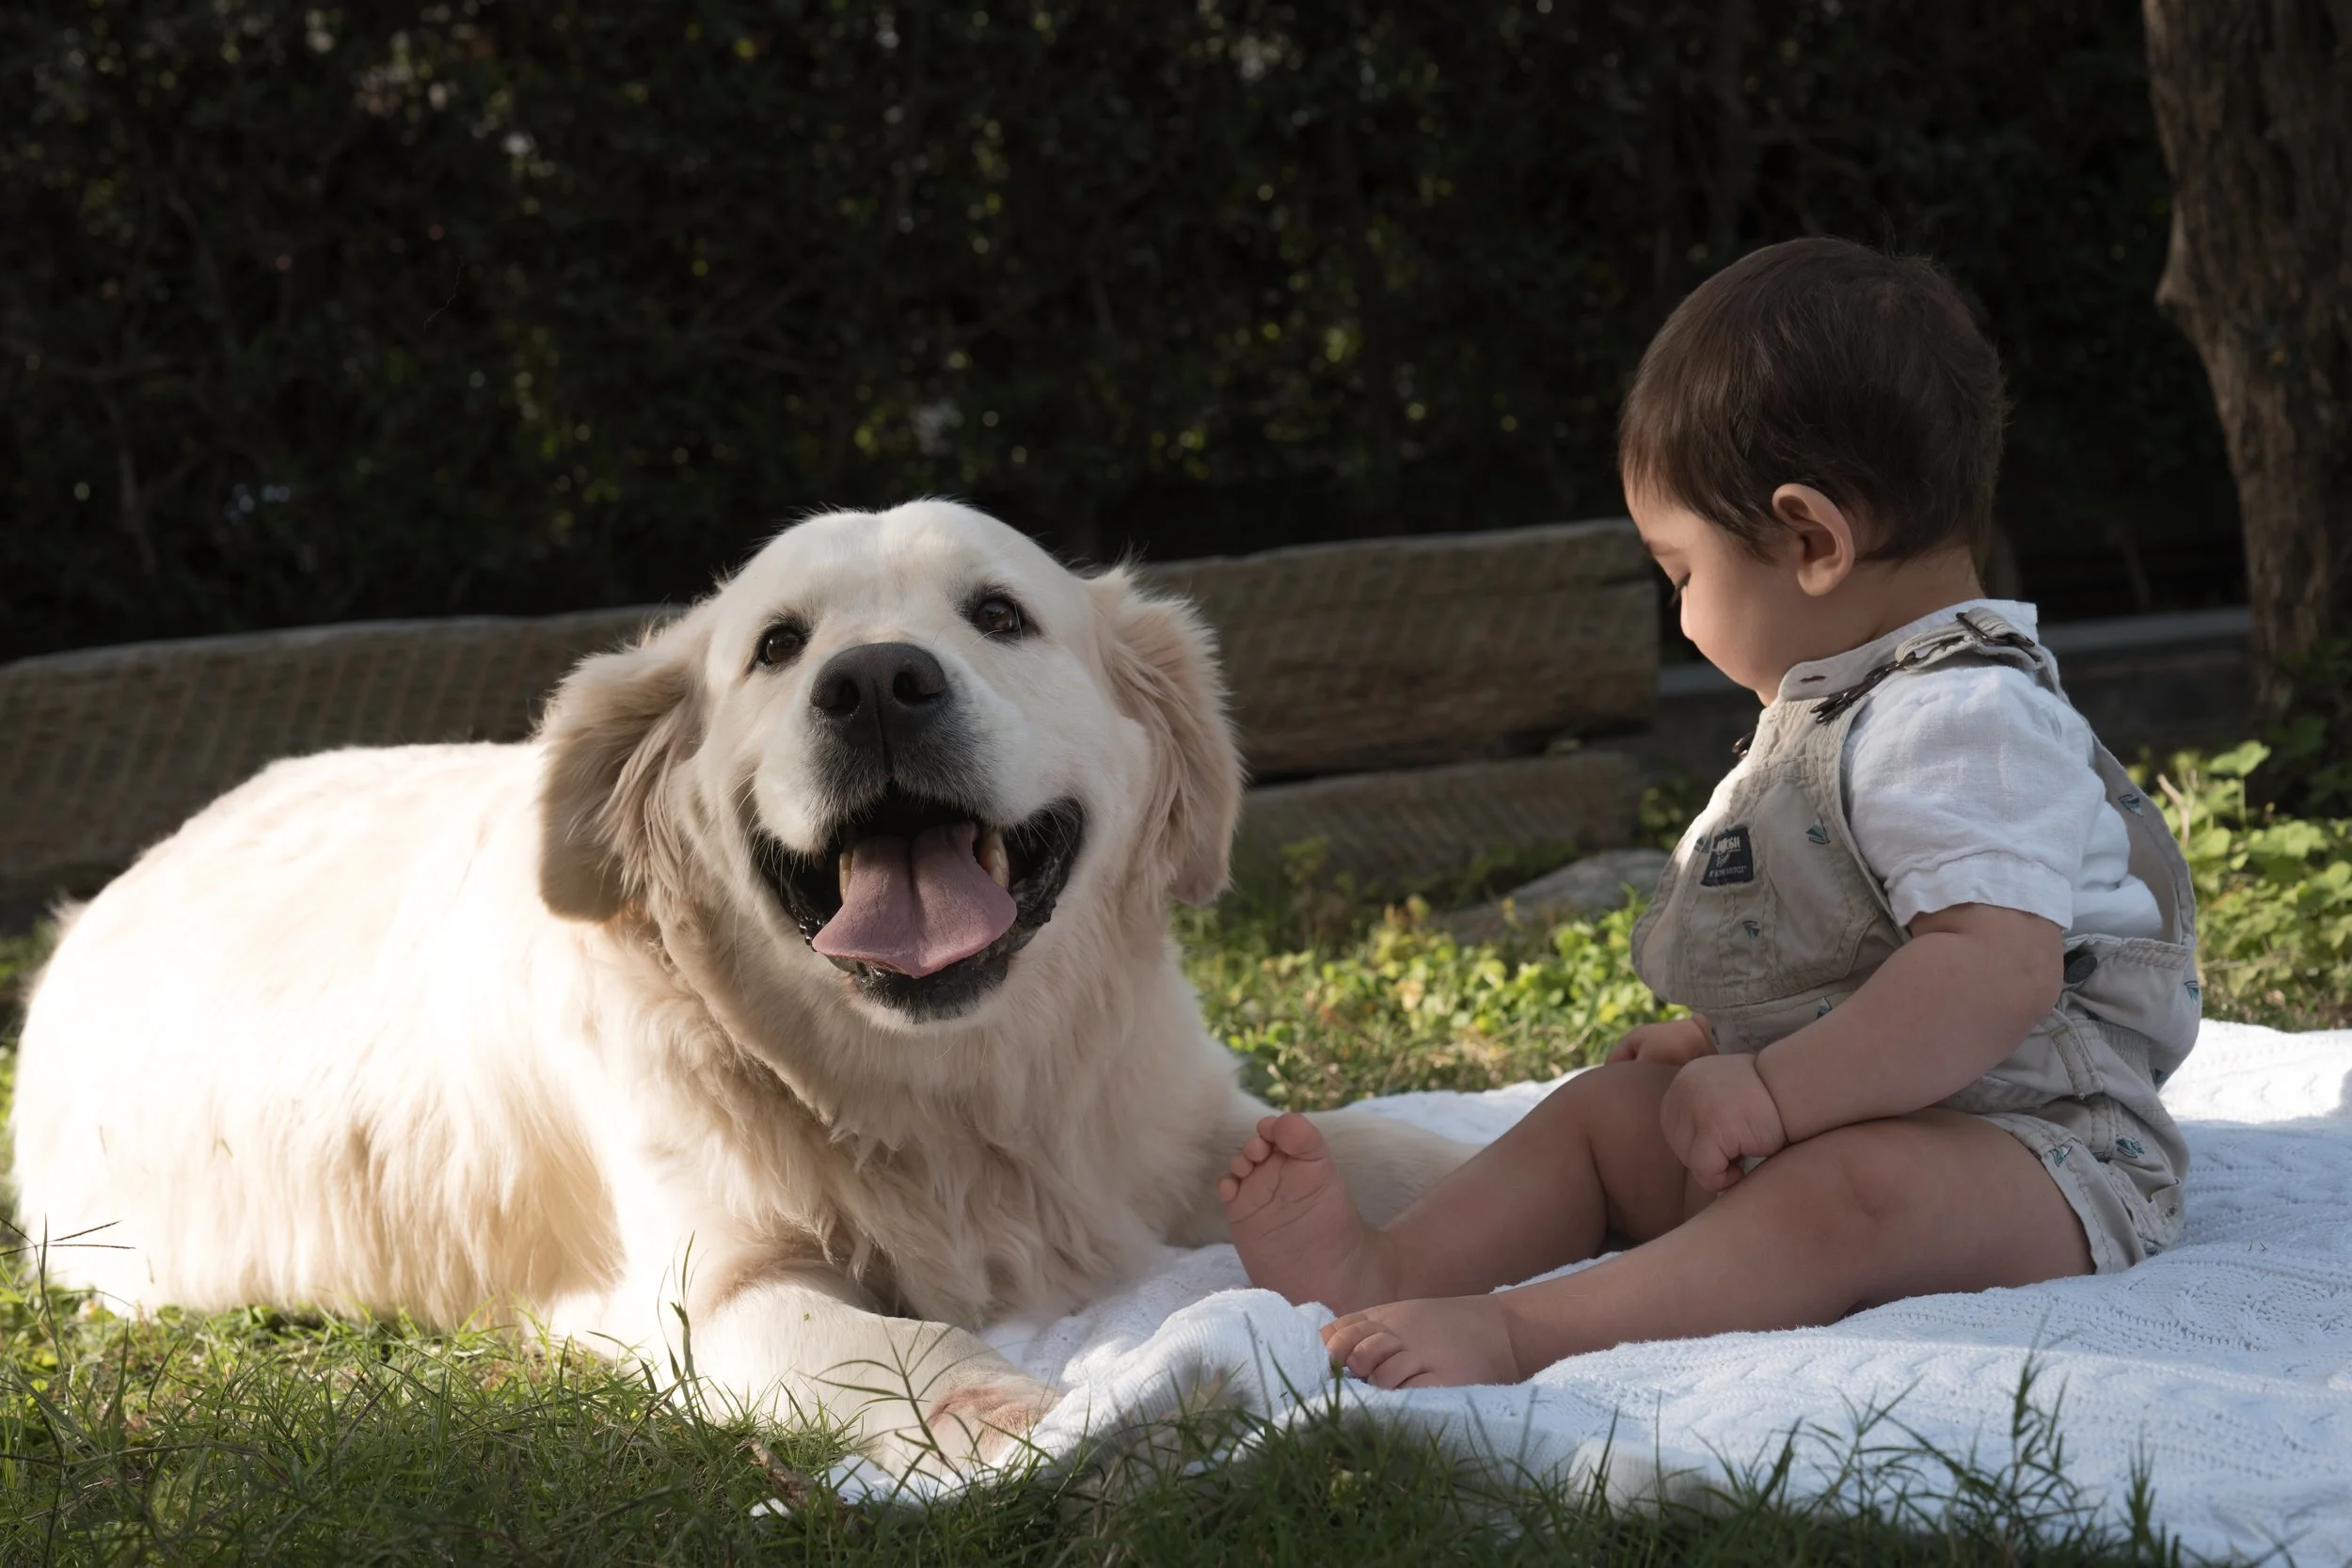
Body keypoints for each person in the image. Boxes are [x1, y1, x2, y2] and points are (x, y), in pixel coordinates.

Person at [1217, 236, 2201, 1389]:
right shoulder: (1842, 713)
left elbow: (1991, 973)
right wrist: (1719, 1042)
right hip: (1813, 1124)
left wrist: (1778, 1086)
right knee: (1608, 1112)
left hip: (2035, 1155)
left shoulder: (1962, 718)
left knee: (1849, 1195)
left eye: (1680, 571)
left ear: (1808, 539)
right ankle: (1385, 1259)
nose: (1679, 615)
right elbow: (1844, 949)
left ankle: (1529, 1332)